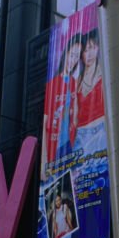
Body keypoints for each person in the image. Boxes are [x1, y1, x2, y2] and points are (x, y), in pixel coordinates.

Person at [43, 33, 82, 168]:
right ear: (65, 54)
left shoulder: (74, 83)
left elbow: (76, 119)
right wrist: (44, 161)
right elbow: (44, 125)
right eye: (72, 55)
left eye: (77, 57)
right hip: (54, 150)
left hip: (70, 146)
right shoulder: (52, 85)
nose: (73, 60)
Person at [75, 29, 105, 158]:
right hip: (82, 135)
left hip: (102, 130)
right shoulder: (77, 81)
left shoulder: (105, 71)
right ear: (81, 55)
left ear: (98, 48)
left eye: (92, 48)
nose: (90, 54)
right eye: (86, 51)